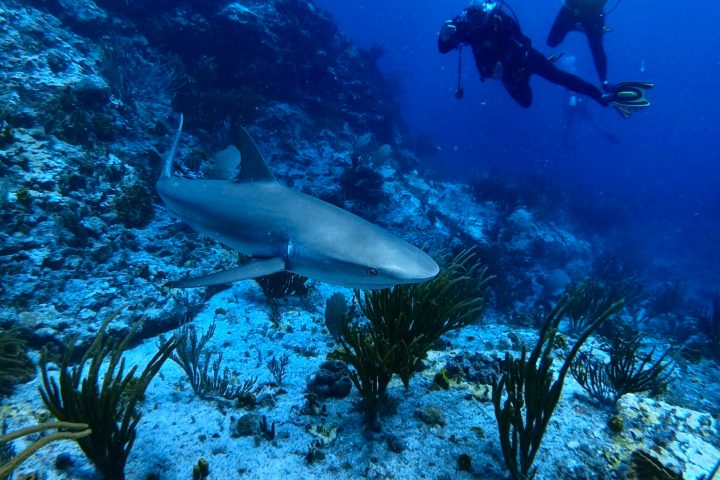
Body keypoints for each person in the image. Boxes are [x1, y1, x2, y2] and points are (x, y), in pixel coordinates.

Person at [438, 1, 651, 113]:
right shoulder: (463, 26)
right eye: (473, 18)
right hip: (506, 71)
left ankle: (600, 96)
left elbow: (524, 42)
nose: (477, 23)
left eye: (480, 17)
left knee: (559, 77)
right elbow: (443, 48)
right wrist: (443, 36)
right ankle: (524, 76)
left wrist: (508, 63)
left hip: (524, 57)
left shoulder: (498, 19)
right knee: (525, 102)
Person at [547, 0, 610, 89]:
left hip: (593, 15)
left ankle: (604, 82)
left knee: (597, 48)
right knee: (552, 42)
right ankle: (577, 27)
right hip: (571, 10)